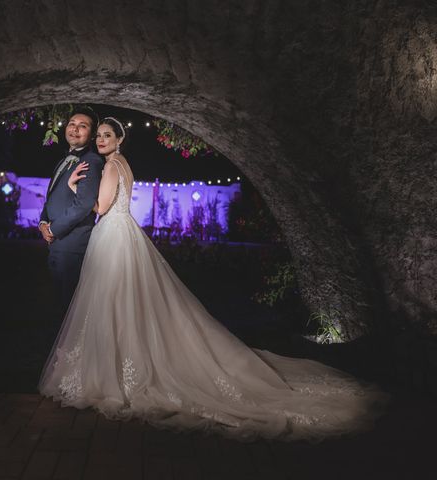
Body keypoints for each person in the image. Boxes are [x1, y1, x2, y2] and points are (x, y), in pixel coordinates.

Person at [38, 117, 389, 442]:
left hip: (112, 236)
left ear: (119, 140)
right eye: (98, 135)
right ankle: (121, 359)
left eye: (106, 135)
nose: (100, 140)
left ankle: (114, 369)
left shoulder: (111, 165)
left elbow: (99, 208)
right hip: (125, 233)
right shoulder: (125, 165)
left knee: (111, 301)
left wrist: (72, 185)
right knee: (127, 301)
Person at [38, 107, 104, 324]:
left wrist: (54, 230)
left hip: (72, 243)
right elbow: (52, 196)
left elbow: (84, 204)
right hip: (57, 241)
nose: (75, 129)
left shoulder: (92, 161)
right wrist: (43, 222)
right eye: (72, 124)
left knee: (70, 309)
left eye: (82, 126)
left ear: (91, 135)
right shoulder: (63, 160)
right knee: (59, 302)